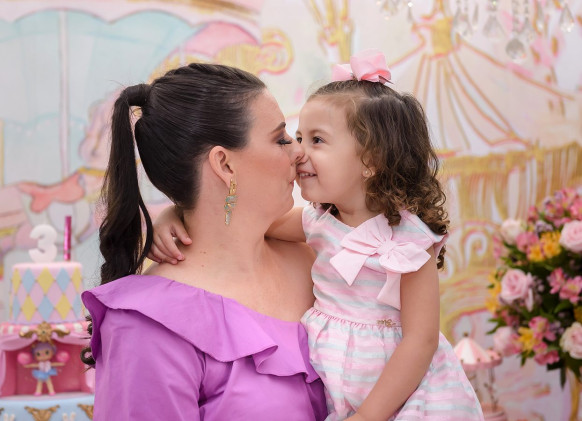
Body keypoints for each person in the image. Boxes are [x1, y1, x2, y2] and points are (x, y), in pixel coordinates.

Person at [151, 50, 484, 420]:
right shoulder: (318, 224)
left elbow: (421, 342)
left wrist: (367, 416)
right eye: (296, 137)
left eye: (317, 140)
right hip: (342, 389)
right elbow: (239, 216)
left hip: (406, 394)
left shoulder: (408, 241)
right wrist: (176, 212)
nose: (298, 153)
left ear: (371, 160)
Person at [80, 63, 328, 420]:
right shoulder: (146, 327)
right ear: (224, 164)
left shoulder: (321, 263)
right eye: (280, 139)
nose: (299, 152)